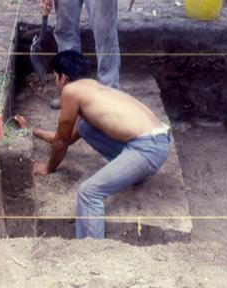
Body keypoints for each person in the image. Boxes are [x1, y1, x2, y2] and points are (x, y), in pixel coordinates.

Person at [13, 51, 171, 239]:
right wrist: (31, 131)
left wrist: (48, 167)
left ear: (63, 77)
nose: (55, 82)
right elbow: (65, 137)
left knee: (88, 193)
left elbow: (61, 142)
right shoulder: (92, 88)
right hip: (157, 141)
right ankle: (135, 173)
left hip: (147, 149)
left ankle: (91, 252)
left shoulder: (70, 92)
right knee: (86, 127)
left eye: (55, 77)